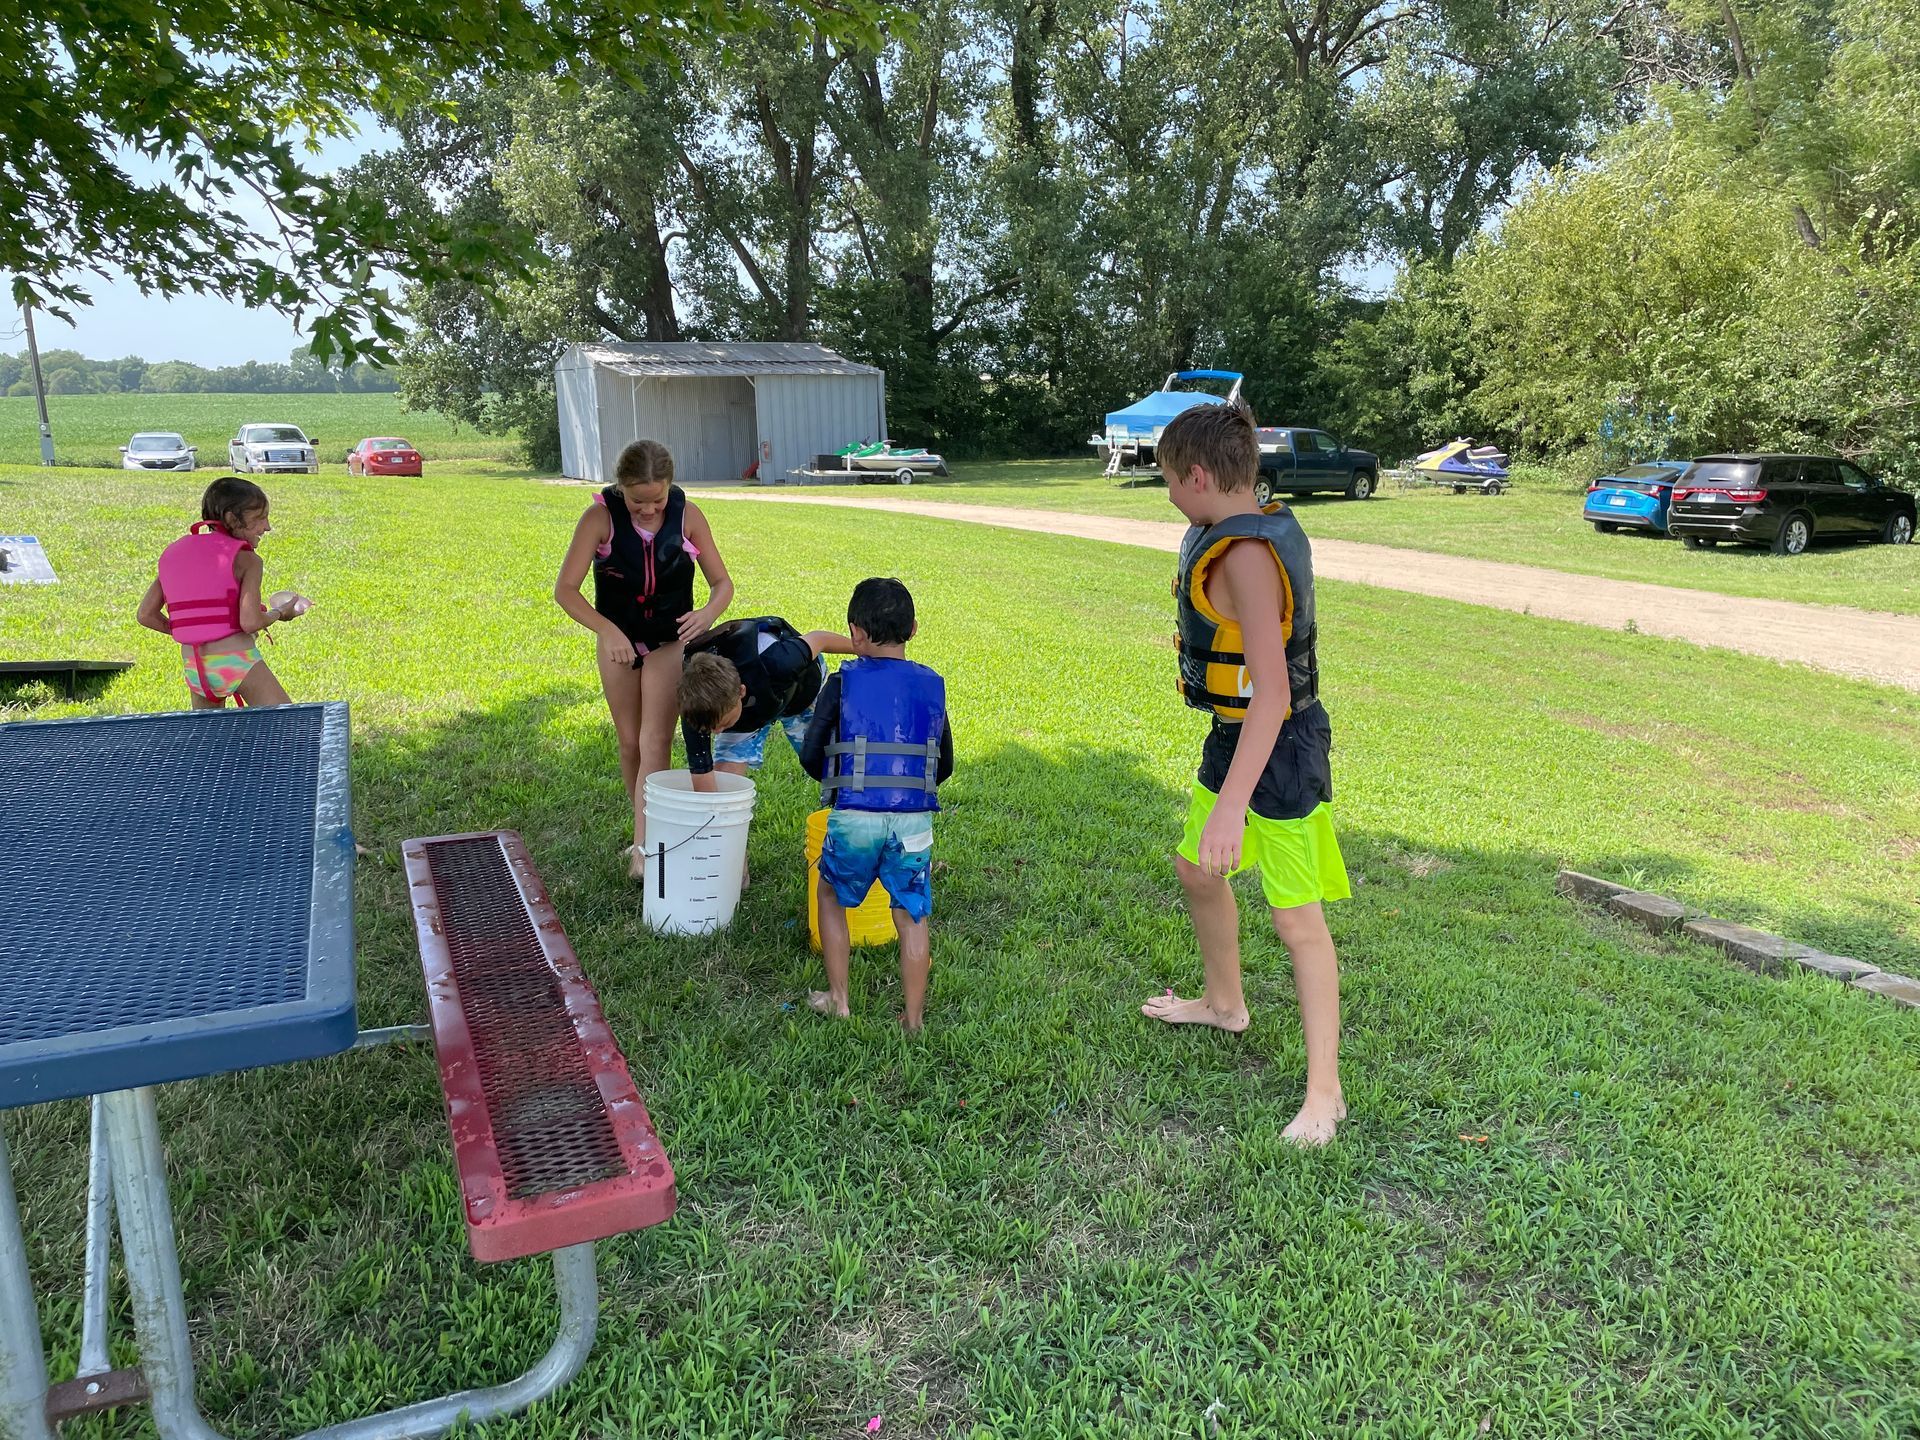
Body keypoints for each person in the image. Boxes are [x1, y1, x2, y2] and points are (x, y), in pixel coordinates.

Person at [1142, 402, 1351, 1147]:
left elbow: (1275, 694)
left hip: (1282, 745)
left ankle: (1324, 1094)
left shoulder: (1249, 558)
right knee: (1197, 870)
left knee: (1296, 920)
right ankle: (1225, 1003)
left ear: (1199, 476)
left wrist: (1233, 809)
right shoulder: (1224, 530)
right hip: (1231, 736)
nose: (1167, 493)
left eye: (1168, 479)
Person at [555, 439, 734, 874]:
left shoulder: (688, 516)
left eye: (657, 499)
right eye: (638, 501)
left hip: (669, 640)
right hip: (617, 639)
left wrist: (707, 613)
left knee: (656, 740)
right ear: (621, 489)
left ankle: (645, 848)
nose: (650, 510)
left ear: (670, 487)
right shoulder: (599, 518)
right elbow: (565, 590)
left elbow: (722, 583)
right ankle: (642, 824)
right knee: (630, 742)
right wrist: (606, 629)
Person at [798, 578, 953, 1031]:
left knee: (829, 895)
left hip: (854, 816)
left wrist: (842, 785)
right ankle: (914, 1020)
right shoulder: (932, 686)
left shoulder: (842, 683)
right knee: (911, 915)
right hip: (914, 823)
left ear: (855, 633)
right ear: (914, 629)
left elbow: (812, 753)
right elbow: (943, 762)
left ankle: (839, 999)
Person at [137, 476, 310, 708]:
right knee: (287, 729)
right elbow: (250, 622)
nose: (267, 526)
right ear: (231, 518)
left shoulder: (176, 555)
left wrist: (197, 630)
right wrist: (280, 612)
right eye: (259, 518)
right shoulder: (248, 560)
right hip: (236, 662)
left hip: (195, 667)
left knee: (211, 742)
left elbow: (145, 615)